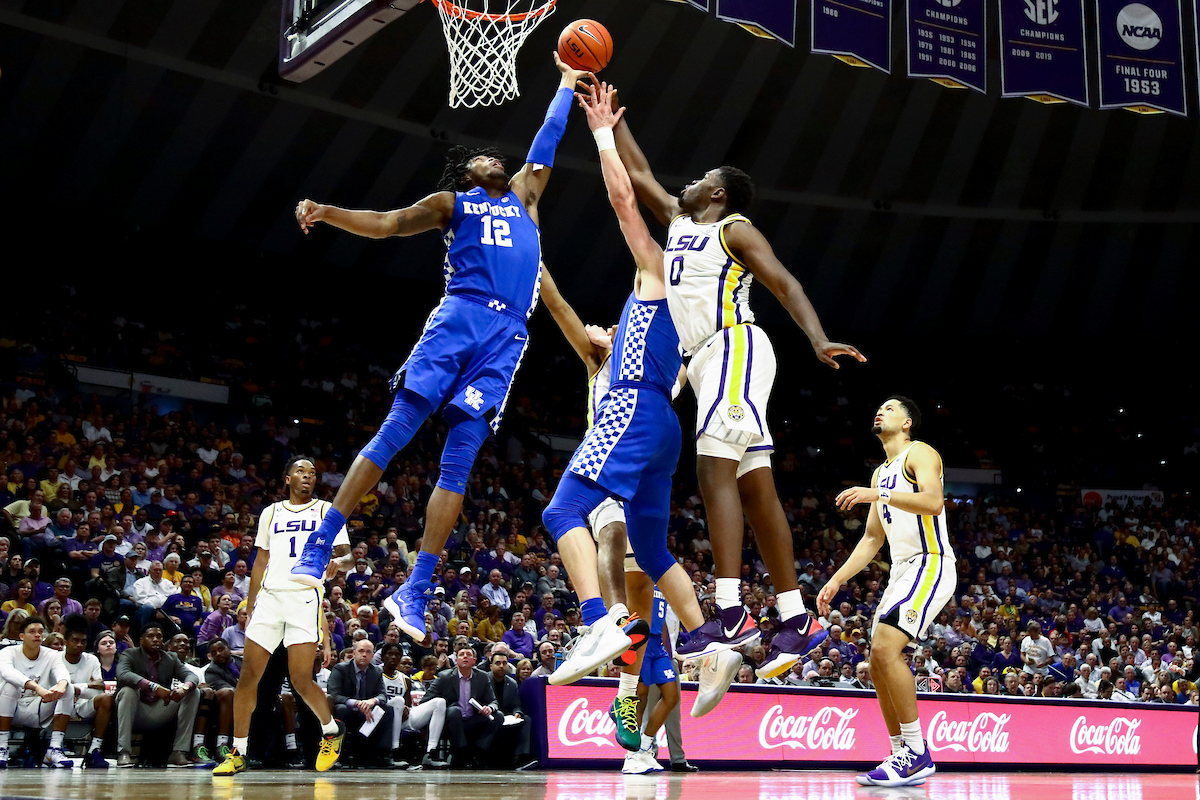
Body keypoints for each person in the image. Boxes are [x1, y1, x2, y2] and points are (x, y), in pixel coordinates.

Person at [288, 56, 591, 649]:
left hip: (507, 338)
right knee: (398, 429)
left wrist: (561, 83)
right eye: (485, 157)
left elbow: (548, 138)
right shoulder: (452, 203)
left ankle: (416, 588)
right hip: (459, 316)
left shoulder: (527, 197)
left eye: (500, 157)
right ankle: (322, 540)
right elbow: (384, 223)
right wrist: (328, 213)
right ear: (465, 169)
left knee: (461, 462)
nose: (496, 159)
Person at [609, 79, 863, 676]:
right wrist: (611, 116)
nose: (687, 181)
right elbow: (639, 171)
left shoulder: (734, 228)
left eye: (700, 176)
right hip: (708, 364)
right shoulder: (678, 220)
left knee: (709, 465)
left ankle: (727, 609)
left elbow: (785, 283)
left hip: (736, 348)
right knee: (755, 486)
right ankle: (796, 618)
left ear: (717, 192)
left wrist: (817, 337)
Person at [539, 83, 717, 701]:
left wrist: (599, 134)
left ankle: (600, 623)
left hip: (635, 406)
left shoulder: (661, 270)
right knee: (648, 543)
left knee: (561, 512)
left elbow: (623, 200)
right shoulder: (702, 301)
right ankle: (709, 642)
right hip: (667, 424)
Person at [818, 397, 955, 788]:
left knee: (883, 649)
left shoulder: (920, 452)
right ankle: (902, 752)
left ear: (908, 422)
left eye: (891, 408)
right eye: (878, 407)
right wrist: (837, 578)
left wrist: (877, 495)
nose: (880, 410)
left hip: (931, 561)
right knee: (877, 662)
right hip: (901, 571)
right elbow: (872, 538)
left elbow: (933, 501)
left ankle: (916, 751)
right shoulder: (880, 473)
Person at [213, 457, 350, 776]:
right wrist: (249, 604)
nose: (308, 476)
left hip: (304, 596)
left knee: (301, 680)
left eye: (313, 473)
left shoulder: (326, 510)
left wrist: (337, 562)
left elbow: (346, 554)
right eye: (301, 471)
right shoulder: (270, 512)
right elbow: (261, 560)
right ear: (287, 478)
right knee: (248, 677)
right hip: (270, 598)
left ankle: (331, 731)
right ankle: (238, 751)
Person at [114, 622, 203, 767]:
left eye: (159, 636)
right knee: (128, 691)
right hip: (133, 709)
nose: (155, 639)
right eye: (150, 636)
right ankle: (124, 752)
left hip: (159, 710)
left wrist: (184, 688)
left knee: (193, 692)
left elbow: (191, 676)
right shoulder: (130, 654)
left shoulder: (171, 658)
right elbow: (123, 674)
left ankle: (179, 751)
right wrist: (153, 686)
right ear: (141, 640)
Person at [0, 615, 75, 768]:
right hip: (10, 707)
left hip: (37, 709)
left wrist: (61, 686)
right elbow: (7, 672)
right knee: (9, 685)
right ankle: (2, 747)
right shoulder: (7, 652)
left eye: (40, 632)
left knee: (68, 688)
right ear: (22, 636)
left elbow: (62, 672)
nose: (37, 635)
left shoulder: (52, 655)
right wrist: (37, 688)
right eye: (32, 632)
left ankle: (54, 749)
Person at [623, 587, 679, 775]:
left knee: (671, 696)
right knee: (640, 699)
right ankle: (631, 756)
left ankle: (645, 748)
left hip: (657, 646)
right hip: (640, 642)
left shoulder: (661, 579)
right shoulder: (637, 574)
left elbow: (662, 620)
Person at [426, 645, 502, 768]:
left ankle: (477, 752)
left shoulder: (482, 677)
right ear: (456, 661)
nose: (465, 657)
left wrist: (489, 708)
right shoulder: (444, 677)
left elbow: (493, 701)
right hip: (451, 721)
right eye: (461, 655)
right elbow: (427, 700)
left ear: (474, 661)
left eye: (469, 655)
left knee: (498, 716)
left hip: (473, 719)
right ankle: (462, 753)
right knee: (454, 710)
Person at [379, 642, 447, 769]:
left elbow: (408, 705)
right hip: (381, 718)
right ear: (383, 657)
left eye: (397, 655)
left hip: (401, 718)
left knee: (439, 702)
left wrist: (406, 708)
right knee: (398, 701)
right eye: (390, 654)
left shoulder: (405, 679)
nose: (394, 657)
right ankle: (394, 752)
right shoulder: (376, 673)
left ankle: (430, 753)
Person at [326, 639, 393, 767]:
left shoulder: (376, 671)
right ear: (354, 653)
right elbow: (334, 695)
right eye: (361, 651)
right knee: (341, 709)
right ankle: (339, 754)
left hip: (366, 711)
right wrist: (357, 703)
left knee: (387, 709)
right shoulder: (340, 669)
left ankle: (383, 754)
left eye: (368, 652)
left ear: (372, 656)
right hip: (347, 709)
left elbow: (383, 695)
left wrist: (372, 701)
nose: (364, 655)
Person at [61, 614, 114, 768]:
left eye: (83, 641)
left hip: (81, 705)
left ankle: (94, 750)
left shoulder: (91, 659)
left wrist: (75, 688)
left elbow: (99, 687)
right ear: (66, 642)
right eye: (75, 640)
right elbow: (58, 689)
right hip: (57, 705)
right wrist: (86, 687)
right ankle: (52, 747)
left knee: (106, 698)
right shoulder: (55, 658)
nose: (79, 645)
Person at [487, 649, 532, 768]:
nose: (501, 666)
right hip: (489, 716)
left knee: (526, 719)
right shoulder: (484, 680)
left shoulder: (512, 683)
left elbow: (516, 704)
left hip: (507, 717)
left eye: (504, 663)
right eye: (498, 663)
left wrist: (517, 712)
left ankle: (521, 757)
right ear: (491, 666)